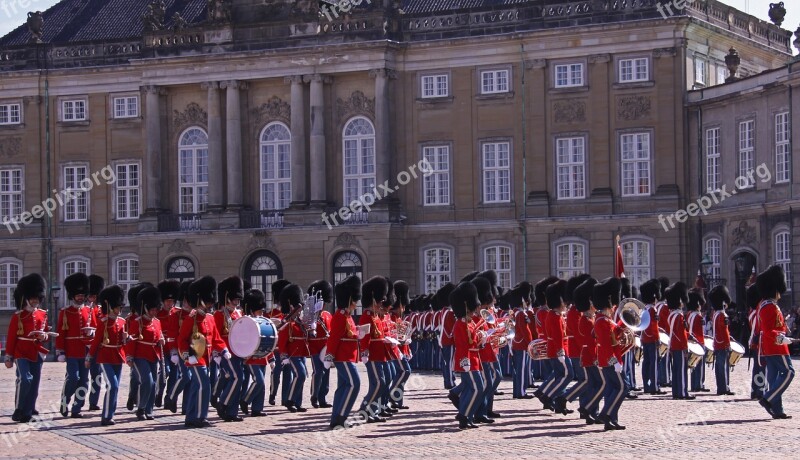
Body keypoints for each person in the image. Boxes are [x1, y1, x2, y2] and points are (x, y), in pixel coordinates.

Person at [178, 276, 228, 428]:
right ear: (201, 300)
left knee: (196, 386)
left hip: (206, 357)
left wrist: (224, 349)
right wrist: (187, 356)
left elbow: (216, 338)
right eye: (208, 302)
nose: (210, 305)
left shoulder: (210, 318)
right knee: (205, 385)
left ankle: (190, 417)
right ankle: (200, 416)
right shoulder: (190, 319)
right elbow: (182, 340)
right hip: (194, 357)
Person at [4, 274, 48, 424]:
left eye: (37, 298)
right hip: (21, 351)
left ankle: (27, 413)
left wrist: (44, 337)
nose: (35, 301)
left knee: (34, 384)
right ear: (27, 298)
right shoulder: (18, 316)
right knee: (25, 379)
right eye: (33, 298)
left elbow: (46, 332)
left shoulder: (43, 314)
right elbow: (11, 338)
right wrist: (9, 356)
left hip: (36, 351)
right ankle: (18, 409)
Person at [756, 265, 795, 419]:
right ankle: (768, 398)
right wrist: (782, 338)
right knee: (789, 372)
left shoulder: (768, 305)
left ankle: (777, 410)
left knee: (773, 378)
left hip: (771, 346)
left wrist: (785, 329)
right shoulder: (768, 307)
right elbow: (768, 330)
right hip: (777, 347)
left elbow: (774, 325)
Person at [86, 285, 127, 426]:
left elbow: (122, 342)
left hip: (117, 356)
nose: (120, 310)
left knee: (115, 386)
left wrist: (126, 339)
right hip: (105, 357)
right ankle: (107, 416)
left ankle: (110, 413)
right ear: (110, 307)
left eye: (120, 307)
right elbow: (96, 341)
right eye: (117, 307)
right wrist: (89, 357)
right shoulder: (103, 323)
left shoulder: (122, 322)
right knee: (113, 385)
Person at [325, 275, 362, 429]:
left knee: (343, 387)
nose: (356, 303)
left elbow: (350, 334)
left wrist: (360, 333)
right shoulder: (340, 317)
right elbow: (334, 338)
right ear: (349, 299)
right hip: (343, 357)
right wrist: (329, 355)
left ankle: (336, 419)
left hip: (348, 356)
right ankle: (342, 416)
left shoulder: (347, 316)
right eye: (354, 300)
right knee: (355, 384)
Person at [126, 286, 165, 421]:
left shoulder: (157, 322)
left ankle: (149, 410)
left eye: (156, 309)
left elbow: (158, 335)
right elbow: (131, 341)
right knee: (147, 381)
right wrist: (129, 356)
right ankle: (141, 407)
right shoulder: (138, 322)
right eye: (152, 309)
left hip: (153, 355)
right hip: (139, 356)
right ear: (146, 308)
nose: (154, 312)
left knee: (154, 383)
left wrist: (161, 340)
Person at [56, 272, 92, 418]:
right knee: (73, 378)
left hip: (85, 351)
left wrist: (92, 335)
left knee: (84, 380)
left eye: (82, 295)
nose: (80, 298)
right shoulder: (65, 312)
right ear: (73, 296)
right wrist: (60, 351)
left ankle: (77, 408)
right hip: (71, 351)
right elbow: (61, 333)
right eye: (78, 295)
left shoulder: (89, 311)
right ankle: (65, 402)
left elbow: (95, 328)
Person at [592, 277, 626, 431]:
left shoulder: (605, 320)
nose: (614, 307)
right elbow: (606, 345)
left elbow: (613, 336)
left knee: (612, 388)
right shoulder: (601, 321)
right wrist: (614, 361)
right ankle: (606, 413)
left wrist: (622, 329)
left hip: (610, 359)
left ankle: (611, 420)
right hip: (610, 361)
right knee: (622, 388)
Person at [450, 281, 483, 430]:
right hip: (467, 361)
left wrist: (482, 339)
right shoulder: (460, 324)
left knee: (472, 389)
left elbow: (474, 343)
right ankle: (464, 415)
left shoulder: (469, 323)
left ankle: (466, 416)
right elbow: (463, 346)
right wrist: (465, 362)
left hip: (474, 360)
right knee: (477, 389)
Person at [358, 276, 390, 422]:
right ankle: (365, 408)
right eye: (379, 301)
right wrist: (364, 351)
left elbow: (380, 334)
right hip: (372, 355)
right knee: (379, 383)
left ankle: (372, 411)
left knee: (377, 384)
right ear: (373, 300)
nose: (381, 304)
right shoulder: (367, 316)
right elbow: (364, 336)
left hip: (380, 354)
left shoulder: (376, 316)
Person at [215, 276, 245, 421]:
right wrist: (221, 351)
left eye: (238, 300)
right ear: (228, 298)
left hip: (238, 352)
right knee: (237, 377)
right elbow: (216, 335)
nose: (237, 302)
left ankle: (232, 412)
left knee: (237, 379)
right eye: (235, 299)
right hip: (226, 352)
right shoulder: (219, 315)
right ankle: (223, 403)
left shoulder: (238, 314)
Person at [277, 283, 310, 413]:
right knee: (300, 375)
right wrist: (283, 355)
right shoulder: (286, 321)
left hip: (300, 352)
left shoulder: (299, 321)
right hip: (292, 354)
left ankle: (297, 402)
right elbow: (282, 340)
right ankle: (289, 400)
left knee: (301, 376)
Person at [165, 280, 193, 414]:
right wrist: (173, 351)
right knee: (186, 377)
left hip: (194, 350)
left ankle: (186, 407)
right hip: (181, 350)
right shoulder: (176, 315)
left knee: (191, 379)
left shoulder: (195, 315)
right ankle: (171, 396)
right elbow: (171, 335)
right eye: (185, 301)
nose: (187, 303)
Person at [241, 288, 269, 417]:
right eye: (259, 310)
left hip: (262, 355)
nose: (262, 312)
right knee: (259, 381)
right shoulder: (246, 321)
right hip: (251, 355)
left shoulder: (263, 320)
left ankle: (257, 408)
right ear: (252, 309)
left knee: (262, 384)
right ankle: (245, 400)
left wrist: (271, 357)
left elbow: (268, 339)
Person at [308, 280, 333, 409]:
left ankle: (323, 397)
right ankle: (314, 396)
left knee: (326, 372)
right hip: (314, 347)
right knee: (318, 372)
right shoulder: (310, 317)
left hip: (325, 347)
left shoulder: (328, 315)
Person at [665, 282, 693, 400]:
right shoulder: (678, 316)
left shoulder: (672, 315)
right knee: (681, 370)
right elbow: (680, 334)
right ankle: (682, 392)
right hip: (680, 346)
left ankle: (676, 392)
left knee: (676, 369)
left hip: (674, 346)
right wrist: (685, 346)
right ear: (679, 301)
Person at [156, 280, 180, 408]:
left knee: (174, 375)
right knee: (165, 372)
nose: (169, 304)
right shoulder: (158, 314)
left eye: (171, 301)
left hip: (174, 349)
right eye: (167, 301)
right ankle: (159, 392)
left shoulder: (177, 312)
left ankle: (169, 397)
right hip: (162, 349)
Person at [639, 279, 665, 395]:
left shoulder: (644, 309)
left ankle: (646, 385)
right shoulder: (653, 309)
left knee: (646, 362)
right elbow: (653, 326)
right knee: (653, 363)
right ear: (654, 296)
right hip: (651, 339)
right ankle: (654, 386)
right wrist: (657, 338)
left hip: (645, 338)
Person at [268, 279, 291, 406]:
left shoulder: (288, 313)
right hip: (276, 349)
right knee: (276, 374)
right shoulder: (272, 313)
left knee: (288, 374)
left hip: (287, 348)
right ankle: (272, 394)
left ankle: (285, 398)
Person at [709, 285, 735, 396]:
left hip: (717, 343)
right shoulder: (722, 315)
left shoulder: (716, 314)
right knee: (723, 366)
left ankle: (721, 387)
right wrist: (728, 343)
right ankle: (724, 388)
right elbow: (723, 331)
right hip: (722, 344)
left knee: (720, 366)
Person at [511, 282, 533, 399]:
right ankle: (521, 392)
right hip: (522, 344)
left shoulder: (515, 312)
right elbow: (525, 331)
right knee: (522, 370)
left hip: (516, 343)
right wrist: (530, 343)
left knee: (518, 369)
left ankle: (517, 391)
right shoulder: (521, 314)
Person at [86, 274, 105, 411]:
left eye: (94, 296)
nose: (92, 299)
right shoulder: (82, 309)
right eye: (90, 296)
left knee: (96, 376)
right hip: (82, 346)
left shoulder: (101, 310)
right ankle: (72, 403)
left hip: (96, 345)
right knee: (80, 378)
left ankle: (93, 401)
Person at [686, 288, 709, 392]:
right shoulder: (698, 316)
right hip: (699, 341)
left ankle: (694, 384)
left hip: (691, 341)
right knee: (699, 365)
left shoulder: (689, 314)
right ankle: (698, 384)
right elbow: (700, 331)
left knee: (693, 364)